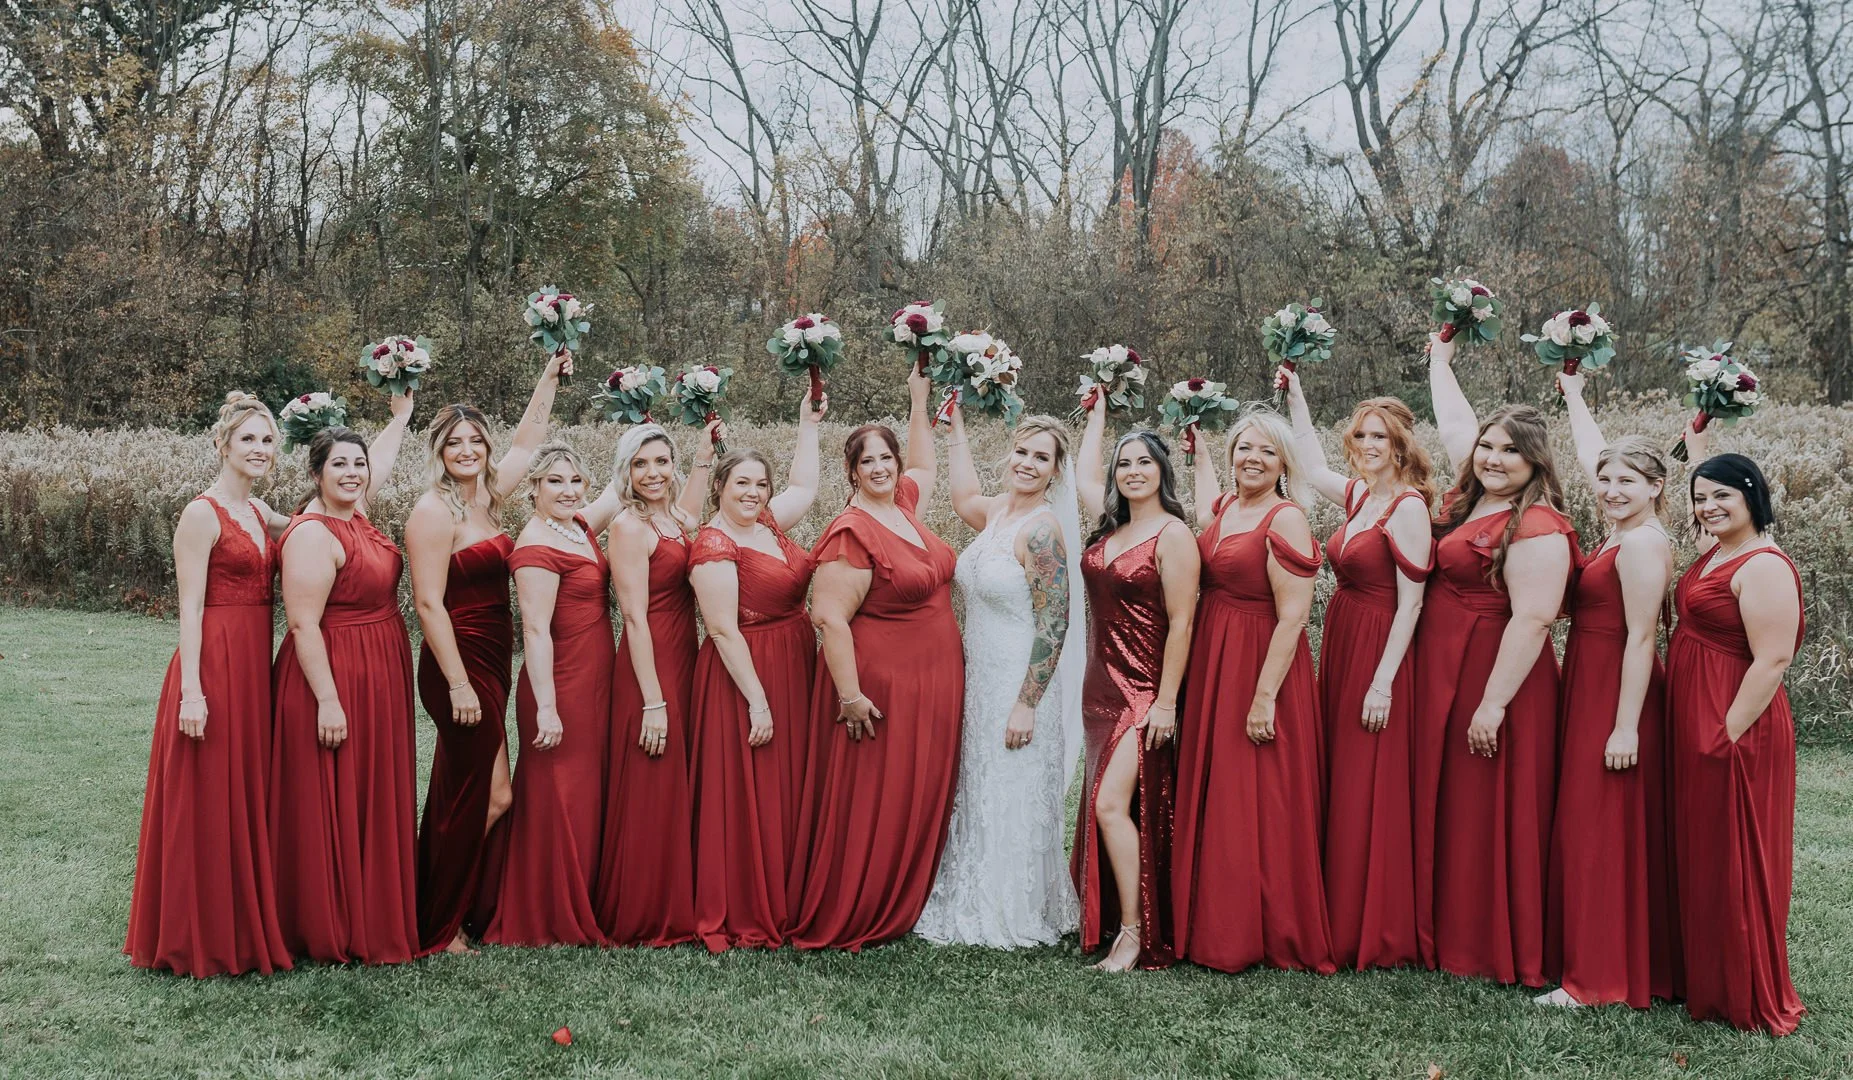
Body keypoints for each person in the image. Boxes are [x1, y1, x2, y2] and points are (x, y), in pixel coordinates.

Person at [1414, 332, 1576, 985]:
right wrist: (1440, 361)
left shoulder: (1537, 525)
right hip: (1447, 662)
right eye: (1488, 445)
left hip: (1497, 674)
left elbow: (1534, 618)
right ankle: (1441, 921)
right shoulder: (1475, 493)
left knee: (1488, 802)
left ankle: (1486, 940)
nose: (1493, 456)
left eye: (1511, 450)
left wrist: (1491, 703)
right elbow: (1455, 421)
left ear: (1535, 462)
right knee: (1454, 798)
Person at [788, 367, 964, 951]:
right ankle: (859, 901)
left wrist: (918, 403)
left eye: (885, 457)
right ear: (852, 471)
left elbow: (926, 466)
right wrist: (850, 696)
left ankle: (907, 891)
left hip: (933, 679)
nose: (882, 468)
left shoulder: (905, 505)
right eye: (867, 461)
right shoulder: (851, 531)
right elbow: (829, 618)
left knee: (916, 790)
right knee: (874, 797)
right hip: (879, 686)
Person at [406, 351, 570, 956]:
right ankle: (436, 925)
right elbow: (426, 604)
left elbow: (530, 437)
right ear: (439, 452)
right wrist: (456, 684)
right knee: (477, 793)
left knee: (489, 794)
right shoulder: (432, 511)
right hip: (457, 665)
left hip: (494, 660)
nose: (468, 450)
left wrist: (547, 378)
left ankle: (446, 906)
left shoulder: (491, 497)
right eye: (456, 443)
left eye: (476, 441)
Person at [126, 392, 293, 977]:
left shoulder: (259, 510)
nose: (259, 449)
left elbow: (318, 520)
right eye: (248, 438)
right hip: (214, 663)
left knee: (243, 789)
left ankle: (242, 919)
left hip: (254, 663)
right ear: (223, 444)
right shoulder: (202, 513)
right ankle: (198, 932)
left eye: (268, 440)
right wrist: (192, 692)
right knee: (207, 792)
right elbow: (189, 609)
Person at [1172, 407, 1334, 975]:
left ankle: (1257, 927)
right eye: (1244, 448)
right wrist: (1201, 451)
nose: (1253, 459)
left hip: (1260, 665)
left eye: (1267, 451)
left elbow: (1294, 618)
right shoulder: (1226, 509)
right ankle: (1209, 916)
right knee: (1222, 788)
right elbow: (1205, 501)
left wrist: (1264, 696)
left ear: (1283, 462)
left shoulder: (1286, 518)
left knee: (1256, 792)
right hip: (1216, 660)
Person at [915, 408, 1083, 948]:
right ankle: (975, 886)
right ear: (1009, 455)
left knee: (1012, 781)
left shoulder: (1041, 532)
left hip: (1018, 677)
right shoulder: (997, 514)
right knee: (984, 780)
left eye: (1042, 458)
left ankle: (1014, 906)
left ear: (1056, 472)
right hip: (982, 674)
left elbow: (1055, 622)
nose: (1029, 464)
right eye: (1023, 452)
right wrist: (956, 432)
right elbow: (964, 498)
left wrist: (1027, 702)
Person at [1281, 370, 1432, 971]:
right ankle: (1332, 905)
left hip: (1379, 648)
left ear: (1401, 446)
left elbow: (1413, 603)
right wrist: (1296, 397)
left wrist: (1382, 682)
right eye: (1362, 436)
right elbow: (1313, 467)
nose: (1369, 446)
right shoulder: (1360, 497)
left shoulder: (1409, 507)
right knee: (1341, 771)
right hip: (1343, 639)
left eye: (1381, 438)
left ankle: (1371, 924)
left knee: (1371, 779)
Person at [1538, 372, 1679, 1009]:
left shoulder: (1646, 545)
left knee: (1603, 826)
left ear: (1657, 487)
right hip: (1591, 681)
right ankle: (1596, 958)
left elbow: (1642, 637)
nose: (1611, 489)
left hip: (1618, 691)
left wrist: (1624, 726)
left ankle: (1596, 978)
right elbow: (1600, 451)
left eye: (1628, 481)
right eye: (1605, 479)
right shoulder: (1621, 533)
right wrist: (1574, 397)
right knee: (1591, 822)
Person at [269, 394, 419, 964]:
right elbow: (304, 623)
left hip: (378, 665)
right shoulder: (312, 532)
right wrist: (328, 701)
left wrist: (401, 416)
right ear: (316, 474)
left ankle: (368, 905)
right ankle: (328, 919)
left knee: (368, 787)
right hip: (332, 671)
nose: (354, 473)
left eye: (359, 465)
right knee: (332, 793)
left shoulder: (355, 513)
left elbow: (378, 456)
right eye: (340, 465)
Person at [1665, 433, 1805, 1035]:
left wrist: (1724, 734)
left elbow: (1772, 661)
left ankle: (1743, 988)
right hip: (1698, 712)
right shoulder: (1719, 549)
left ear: (1753, 496)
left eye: (1722, 494)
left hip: (1734, 723)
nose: (1708, 506)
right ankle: (1703, 972)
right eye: (1699, 497)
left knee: (1736, 854)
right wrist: (1697, 441)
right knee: (1702, 849)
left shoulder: (1765, 565)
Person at [686, 396, 826, 950]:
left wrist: (807, 426)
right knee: (750, 786)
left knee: (787, 780)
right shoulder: (714, 544)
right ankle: (746, 899)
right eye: (741, 483)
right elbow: (721, 630)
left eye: (761, 485)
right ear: (720, 485)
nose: (753, 494)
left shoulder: (767, 524)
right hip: (743, 674)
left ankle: (788, 890)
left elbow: (807, 488)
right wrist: (759, 701)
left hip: (794, 659)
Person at [1071, 401, 1199, 972]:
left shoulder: (1174, 534)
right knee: (1111, 803)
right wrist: (1096, 413)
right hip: (1098, 688)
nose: (1133, 472)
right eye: (1124, 464)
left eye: (1145, 462)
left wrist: (1166, 701)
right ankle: (1113, 918)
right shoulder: (1113, 528)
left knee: (1109, 805)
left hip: (1144, 690)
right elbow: (1082, 476)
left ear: (1163, 473)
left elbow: (1183, 622)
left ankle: (1134, 930)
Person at [481, 443, 617, 946]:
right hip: (559, 683)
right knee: (559, 794)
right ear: (533, 487)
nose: (567, 490)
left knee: (586, 791)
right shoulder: (536, 544)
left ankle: (583, 890)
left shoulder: (578, 526)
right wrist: (548, 707)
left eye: (575, 480)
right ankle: (545, 908)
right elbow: (535, 631)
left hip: (596, 677)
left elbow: (620, 487)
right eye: (555, 481)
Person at [594, 418, 720, 946]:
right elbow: (634, 617)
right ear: (625, 472)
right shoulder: (628, 527)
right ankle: (645, 908)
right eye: (640, 464)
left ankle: (681, 893)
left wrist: (702, 451)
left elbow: (692, 495)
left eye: (660, 462)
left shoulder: (678, 520)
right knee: (653, 776)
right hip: (651, 663)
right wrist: (652, 701)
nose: (652, 473)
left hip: (685, 657)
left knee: (680, 776)